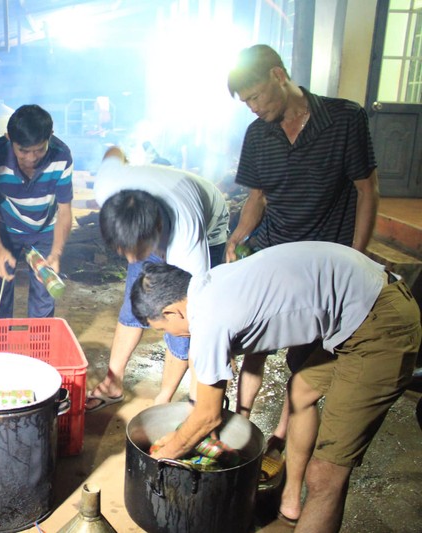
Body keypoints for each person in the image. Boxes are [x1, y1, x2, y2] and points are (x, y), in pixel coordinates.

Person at [131, 242, 420, 532]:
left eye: (161, 328)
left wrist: (160, 457)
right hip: (364, 305)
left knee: (326, 474)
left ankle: (312, 498)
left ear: (171, 312)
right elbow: (206, 372)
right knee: (301, 390)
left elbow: (208, 415)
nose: (168, 334)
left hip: (381, 325)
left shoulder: (209, 319)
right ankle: (290, 503)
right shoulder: (211, 284)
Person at [225, 44, 380, 459]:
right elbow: (257, 197)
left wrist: (357, 257)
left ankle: (281, 435)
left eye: (255, 96)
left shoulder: (345, 118)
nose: (253, 108)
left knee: (303, 358)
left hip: (323, 260)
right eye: (246, 102)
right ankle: (240, 420)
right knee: (254, 341)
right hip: (275, 250)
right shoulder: (258, 134)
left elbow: (367, 191)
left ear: (278, 75)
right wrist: (237, 238)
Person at [85, 146, 229, 412]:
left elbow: (199, 322)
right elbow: (113, 151)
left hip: (210, 223)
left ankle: (164, 396)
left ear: (157, 234)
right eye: (123, 253)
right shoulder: (107, 189)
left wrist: (201, 404)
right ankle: (112, 383)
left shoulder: (188, 243)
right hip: (145, 221)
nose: (131, 261)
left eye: (137, 254)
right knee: (134, 302)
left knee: (178, 317)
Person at [0, 104, 73, 319]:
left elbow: (65, 211)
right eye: (23, 151)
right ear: (8, 137)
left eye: (39, 149)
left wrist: (56, 254)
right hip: (6, 229)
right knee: (1, 287)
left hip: (45, 230)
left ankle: (37, 347)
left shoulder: (61, 156)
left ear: (51, 135)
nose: (31, 158)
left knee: (44, 291)